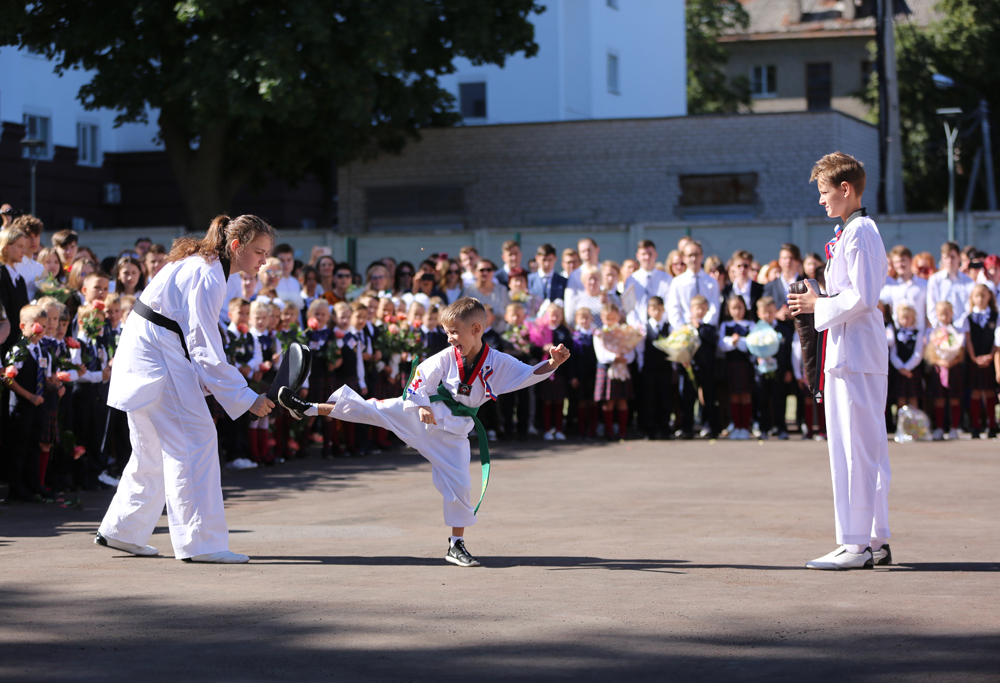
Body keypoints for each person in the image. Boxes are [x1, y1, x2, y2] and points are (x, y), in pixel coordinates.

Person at [278, 297, 570, 567]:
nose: (450, 338)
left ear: (477, 329)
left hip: (454, 433)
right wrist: (419, 406)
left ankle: (456, 544)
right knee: (371, 409)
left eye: (454, 332)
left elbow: (527, 374)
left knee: (461, 486)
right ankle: (307, 408)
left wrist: (553, 363)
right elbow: (419, 380)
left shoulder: (498, 361)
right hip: (423, 415)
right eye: (447, 333)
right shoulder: (446, 356)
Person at [95, 214, 276, 564]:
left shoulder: (203, 265)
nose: (264, 260)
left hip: (149, 353)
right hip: (156, 358)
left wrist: (222, 388)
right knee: (196, 439)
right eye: (259, 251)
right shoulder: (208, 274)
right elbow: (204, 346)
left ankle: (122, 531)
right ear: (236, 246)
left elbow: (194, 341)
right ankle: (201, 543)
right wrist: (246, 398)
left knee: (153, 447)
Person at [788, 151, 891, 571]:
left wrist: (817, 304)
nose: (821, 200)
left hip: (856, 355)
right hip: (849, 353)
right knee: (863, 448)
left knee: (856, 449)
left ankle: (856, 544)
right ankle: (872, 538)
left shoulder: (861, 230)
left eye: (824, 191)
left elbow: (863, 296)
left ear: (846, 189)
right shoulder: (852, 231)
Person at [719, 296, 754, 440]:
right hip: (731, 365)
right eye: (734, 308)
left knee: (745, 395)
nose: (737, 311)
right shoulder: (725, 325)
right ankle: (736, 426)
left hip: (745, 365)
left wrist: (738, 342)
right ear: (728, 309)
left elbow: (751, 344)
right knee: (734, 395)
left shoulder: (750, 324)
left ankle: (745, 427)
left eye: (740, 307)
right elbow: (721, 345)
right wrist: (731, 342)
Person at [666, 240, 720, 330]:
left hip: (706, 332)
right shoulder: (677, 282)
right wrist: (683, 328)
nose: (693, 259)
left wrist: (702, 325)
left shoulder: (711, 282)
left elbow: (714, 309)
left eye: (696, 255)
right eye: (690, 255)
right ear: (684, 258)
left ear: (701, 257)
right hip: (684, 331)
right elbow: (673, 309)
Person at [965, 284, 997, 438]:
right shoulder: (969, 318)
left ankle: (992, 425)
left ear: (989, 296)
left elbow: (997, 340)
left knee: (990, 392)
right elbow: (968, 340)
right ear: (972, 298)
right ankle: (975, 426)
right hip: (975, 359)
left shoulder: (996, 316)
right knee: (976, 392)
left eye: (983, 295)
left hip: (990, 359)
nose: (980, 299)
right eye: (977, 296)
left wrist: (991, 356)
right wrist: (973, 358)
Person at [640, 296, 672, 440]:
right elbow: (640, 350)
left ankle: (664, 428)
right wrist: (641, 366)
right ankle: (650, 429)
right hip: (649, 369)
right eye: (654, 309)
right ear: (648, 310)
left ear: (663, 310)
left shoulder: (668, 327)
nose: (657, 312)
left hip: (665, 368)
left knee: (665, 398)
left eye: (659, 309)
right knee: (650, 398)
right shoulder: (644, 328)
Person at [926, 241, 974, 332]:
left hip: (962, 330)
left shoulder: (968, 282)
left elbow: (969, 308)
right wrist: (940, 328)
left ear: (959, 258)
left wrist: (960, 326)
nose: (949, 261)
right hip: (940, 331)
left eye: (952, 257)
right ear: (942, 259)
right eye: (946, 257)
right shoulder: (935, 280)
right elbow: (931, 307)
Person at [624, 240, 672, 325]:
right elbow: (629, 307)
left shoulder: (667, 279)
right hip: (638, 329)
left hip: (661, 326)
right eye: (643, 254)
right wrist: (637, 326)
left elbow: (670, 304)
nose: (647, 257)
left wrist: (660, 323)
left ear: (656, 255)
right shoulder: (631, 279)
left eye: (650, 254)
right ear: (638, 256)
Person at [721, 250, 764, 322]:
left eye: (745, 266)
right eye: (739, 266)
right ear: (733, 267)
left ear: (750, 267)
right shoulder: (727, 290)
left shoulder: (760, 289)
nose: (742, 269)